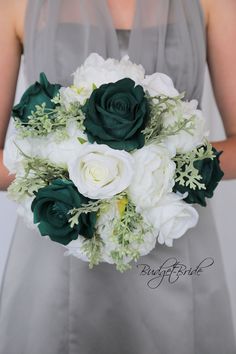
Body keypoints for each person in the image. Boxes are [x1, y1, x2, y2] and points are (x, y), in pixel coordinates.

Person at [0, 0, 236, 353]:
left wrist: (156, 166)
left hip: (174, 249)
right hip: (57, 245)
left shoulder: (213, 4)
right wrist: (72, 170)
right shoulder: (15, 5)